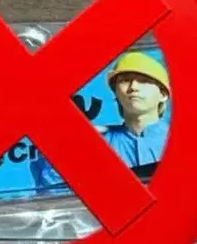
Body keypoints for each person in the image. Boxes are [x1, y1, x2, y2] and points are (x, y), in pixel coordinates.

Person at [31, 51, 171, 194]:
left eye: (144, 81)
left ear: (163, 94)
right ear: (116, 92)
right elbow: (52, 194)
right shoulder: (94, 144)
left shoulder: (181, 142)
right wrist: (64, 142)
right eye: (125, 80)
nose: (133, 87)